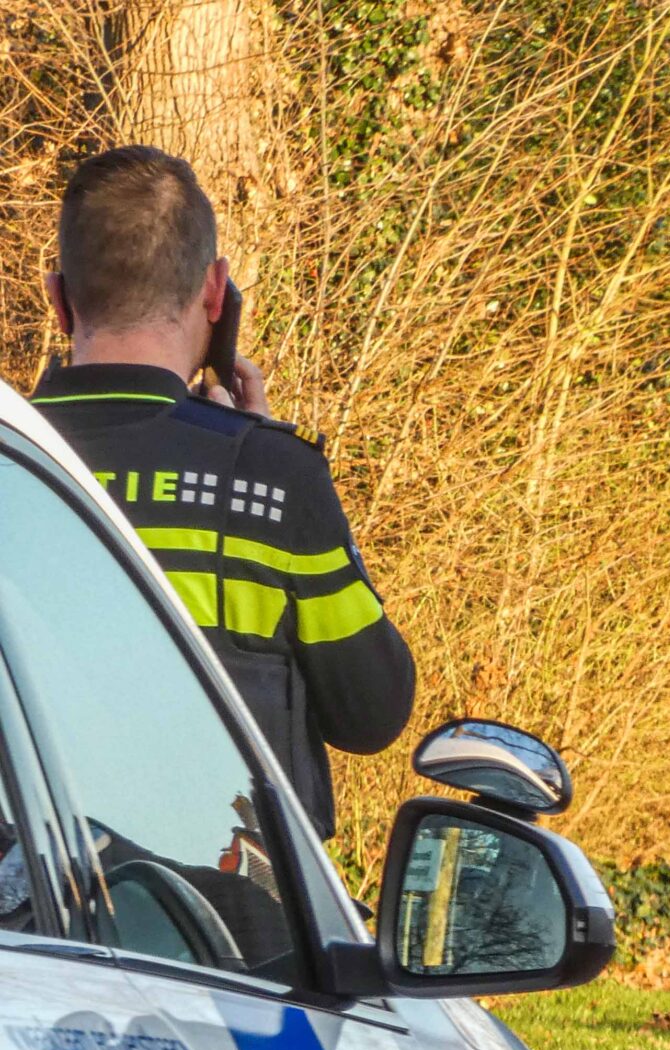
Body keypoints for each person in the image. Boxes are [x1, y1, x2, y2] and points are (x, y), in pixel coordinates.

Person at [31, 145, 413, 838]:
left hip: (29, 926)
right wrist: (265, 455)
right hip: (240, 931)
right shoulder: (274, 482)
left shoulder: (13, 466)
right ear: (215, 294)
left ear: (59, 299)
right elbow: (373, 713)